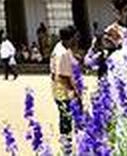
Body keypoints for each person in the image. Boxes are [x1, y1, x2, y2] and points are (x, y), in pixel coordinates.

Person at [51, 25, 79, 156]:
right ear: (72, 37)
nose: (77, 39)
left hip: (58, 89)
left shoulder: (59, 48)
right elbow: (62, 75)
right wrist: (74, 92)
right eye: (75, 37)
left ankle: (66, 142)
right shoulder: (62, 52)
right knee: (66, 117)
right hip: (64, 91)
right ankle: (66, 144)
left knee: (65, 116)